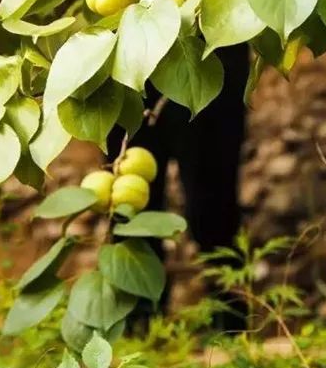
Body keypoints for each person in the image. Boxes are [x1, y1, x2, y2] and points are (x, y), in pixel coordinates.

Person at [107, 43, 250, 331]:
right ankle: (138, 321)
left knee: (213, 201)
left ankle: (231, 320)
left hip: (208, 52)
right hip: (127, 59)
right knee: (129, 204)